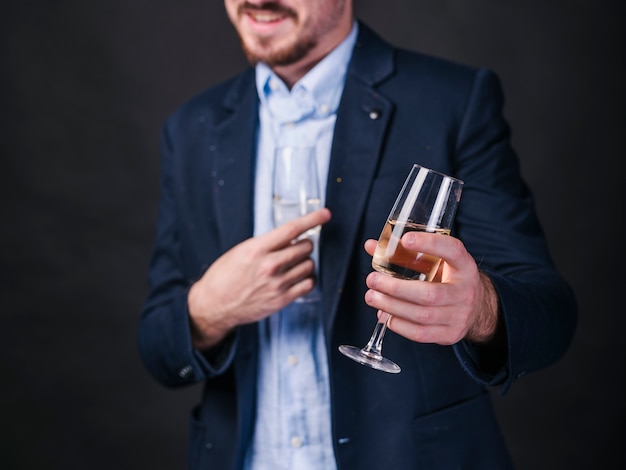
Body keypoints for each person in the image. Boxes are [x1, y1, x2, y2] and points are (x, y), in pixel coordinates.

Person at [138, 1, 577, 468]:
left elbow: (551, 316)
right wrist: (209, 309)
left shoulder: (454, 100)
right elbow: (158, 350)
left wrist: (480, 309)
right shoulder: (189, 128)